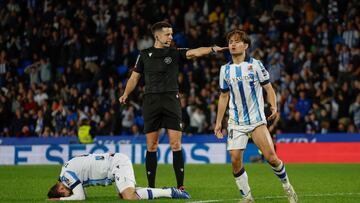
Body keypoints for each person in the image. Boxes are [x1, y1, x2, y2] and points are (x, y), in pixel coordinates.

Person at [119, 21, 227, 189]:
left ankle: (180, 186)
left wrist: (211, 48)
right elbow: (134, 78)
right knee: (151, 146)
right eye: (167, 34)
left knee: (176, 144)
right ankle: (151, 188)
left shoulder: (175, 53)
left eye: (171, 34)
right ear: (157, 36)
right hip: (151, 101)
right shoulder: (144, 54)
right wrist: (126, 93)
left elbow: (194, 53)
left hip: (171, 100)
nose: (171, 37)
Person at [214, 29, 298, 203]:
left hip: (256, 121)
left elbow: (268, 88)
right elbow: (223, 96)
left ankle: (287, 187)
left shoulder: (256, 65)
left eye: (237, 41)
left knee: (272, 158)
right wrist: (218, 123)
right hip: (235, 122)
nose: (233, 44)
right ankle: (247, 198)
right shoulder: (225, 70)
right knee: (235, 160)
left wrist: (273, 106)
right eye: (230, 41)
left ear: (245, 45)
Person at [47, 153, 190, 200]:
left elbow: (80, 197)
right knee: (124, 195)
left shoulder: (66, 177)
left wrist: (59, 200)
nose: (69, 193)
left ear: (60, 188)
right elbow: (82, 193)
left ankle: (170, 192)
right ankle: (159, 190)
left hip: (116, 164)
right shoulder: (65, 170)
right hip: (114, 163)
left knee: (129, 197)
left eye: (65, 193)